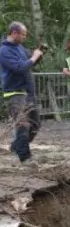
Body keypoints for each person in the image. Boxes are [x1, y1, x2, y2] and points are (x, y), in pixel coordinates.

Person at [0, 21, 44, 166]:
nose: (25, 37)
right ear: (14, 33)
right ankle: (25, 158)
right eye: (23, 34)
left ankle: (16, 146)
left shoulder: (20, 48)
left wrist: (37, 56)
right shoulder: (4, 51)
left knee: (35, 124)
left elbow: (28, 64)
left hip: (27, 93)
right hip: (14, 94)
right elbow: (19, 68)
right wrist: (32, 58)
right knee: (22, 124)